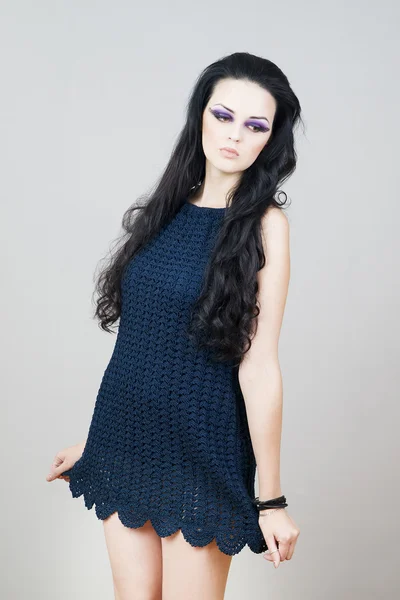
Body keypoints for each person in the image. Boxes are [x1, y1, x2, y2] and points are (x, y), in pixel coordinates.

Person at [46, 51, 303, 600]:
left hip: (204, 450)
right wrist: (95, 444)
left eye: (255, 126)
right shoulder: (165, 207)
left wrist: (272, 498)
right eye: (223, 115)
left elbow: (260, 367)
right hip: (125, 439)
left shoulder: (266, 227)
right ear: (201, 116)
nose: (234, 135)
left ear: (270, 141)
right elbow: (142, 345)